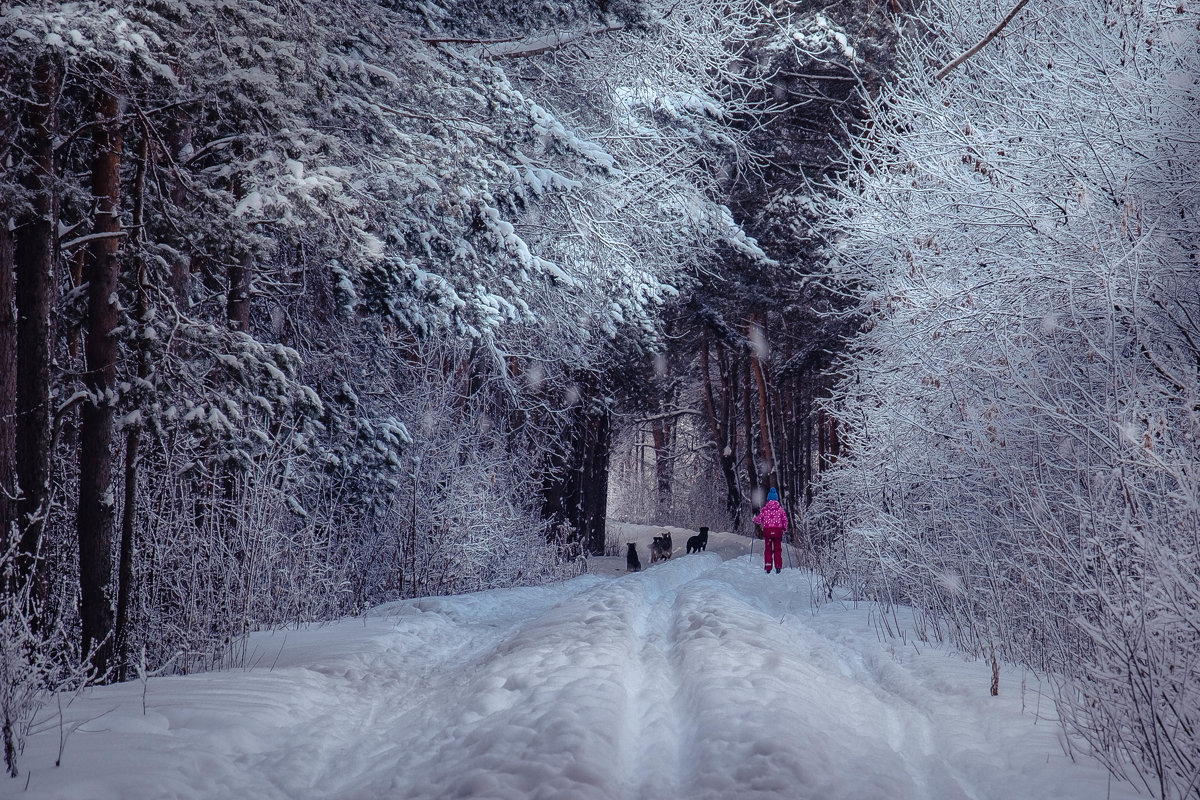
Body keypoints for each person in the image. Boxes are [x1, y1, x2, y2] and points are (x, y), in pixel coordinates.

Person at [753, 487, 788, 573]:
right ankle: (778, 566)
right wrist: (784, 528)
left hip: (768, 531)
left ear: (768, 499)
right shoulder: (780, 510)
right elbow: (785, 520)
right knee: (777, 549)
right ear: (776, 499)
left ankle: (768, 566)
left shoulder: (764, 510)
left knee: (768, 549)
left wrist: (755, 520)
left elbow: (759, 519)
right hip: (778, 531)